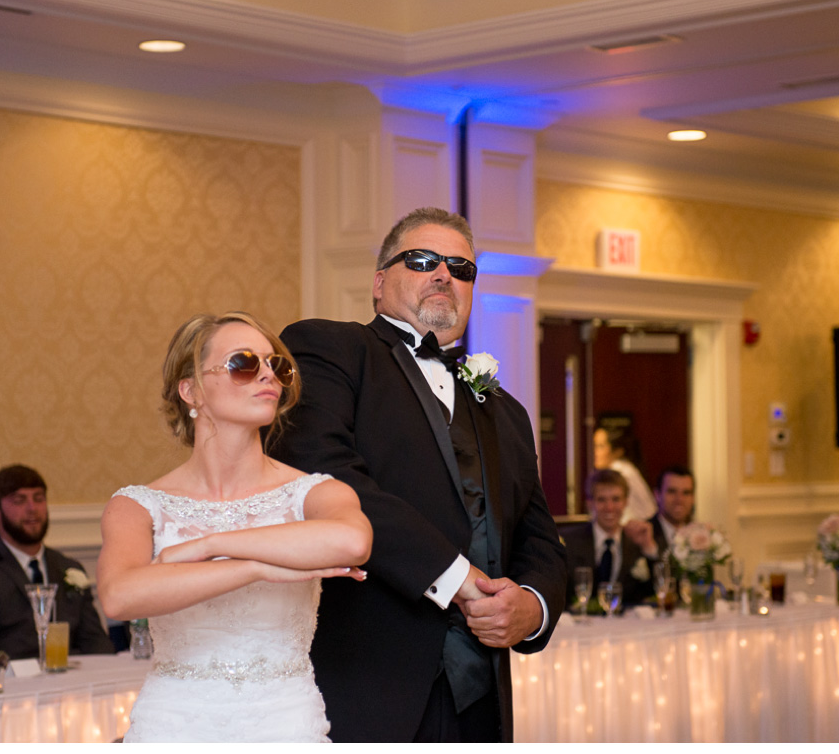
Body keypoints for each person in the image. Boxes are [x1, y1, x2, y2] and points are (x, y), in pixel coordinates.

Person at [271, 207, 568, 742]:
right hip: (369, 687)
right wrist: (456, 580)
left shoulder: (507, 409)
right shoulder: (332, 349)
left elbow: (539, 538)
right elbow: (329, 477)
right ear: (380, 282)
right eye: (423, 259)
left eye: (461, 267)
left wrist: (532, 606)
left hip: (481, 698)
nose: (443, 274)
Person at [96, 312, 372, 743]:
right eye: (243, 363)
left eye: (277, 366)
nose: (267, 375)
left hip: (285, 725)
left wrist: (211, 545)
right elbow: (119, 596)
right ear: (191, 390)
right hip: (173, 727)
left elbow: (352, 540)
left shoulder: (312, 492)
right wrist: (255, 568)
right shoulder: (137, 505)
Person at [0, 465, 114, 660]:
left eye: (39, 498)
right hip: (11, 683)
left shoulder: (68, 567)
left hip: (72, 682)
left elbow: (96, 643)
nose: (32, 508)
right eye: (19, 500)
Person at [562, 469, 658, 608]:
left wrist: (648, 548)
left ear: (626, 502)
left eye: (616, 499)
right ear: (590, 503)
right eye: (602, 500)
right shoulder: (569, 542)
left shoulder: (636, 543)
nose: (609, 507)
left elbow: (653, 594)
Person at [592, 424, 656, 524]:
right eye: (594, 445)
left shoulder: (621, 473)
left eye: (600, 446)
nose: (594, 452)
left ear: (618, 451)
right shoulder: (624, 469)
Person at [649, 464, 696, 558]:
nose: (679, 500)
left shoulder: (699, 536)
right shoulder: (645, 534)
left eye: (686, 493)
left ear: (693, 498)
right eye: (672, 491)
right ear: (657, 495)